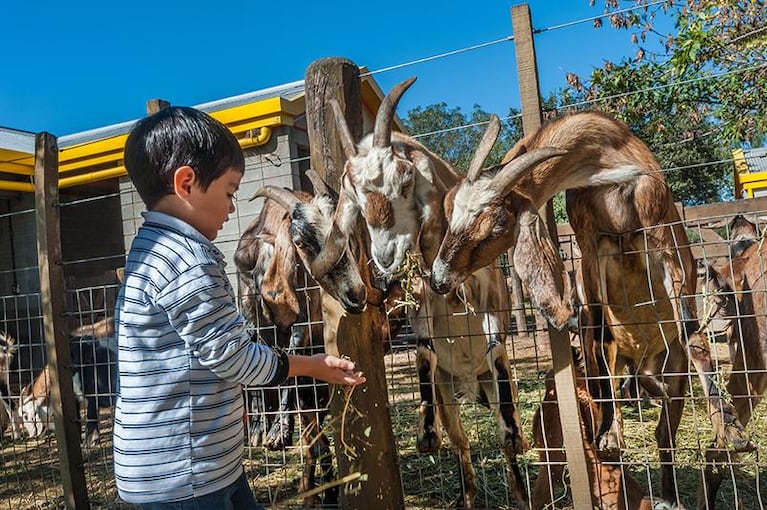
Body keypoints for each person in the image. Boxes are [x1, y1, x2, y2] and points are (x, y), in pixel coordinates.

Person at [113, 106, 366, 509]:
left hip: (198, 464)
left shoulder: (150, 252)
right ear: (187, 183)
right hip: (187, 474)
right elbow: (233, 357)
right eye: (229, 192)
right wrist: (311, 365)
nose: (232, 207)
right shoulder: (187, 260)